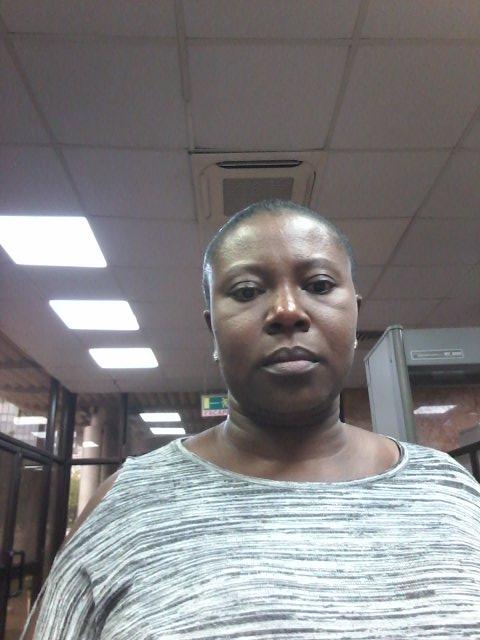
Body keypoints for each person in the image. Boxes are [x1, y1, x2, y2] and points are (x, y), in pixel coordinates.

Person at [22, 200, 480, 639]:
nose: (288, 311)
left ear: (355, 314)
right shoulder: (124, 506)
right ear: (213, 332)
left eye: (319, 285)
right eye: (246, 291)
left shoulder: (450, 491)